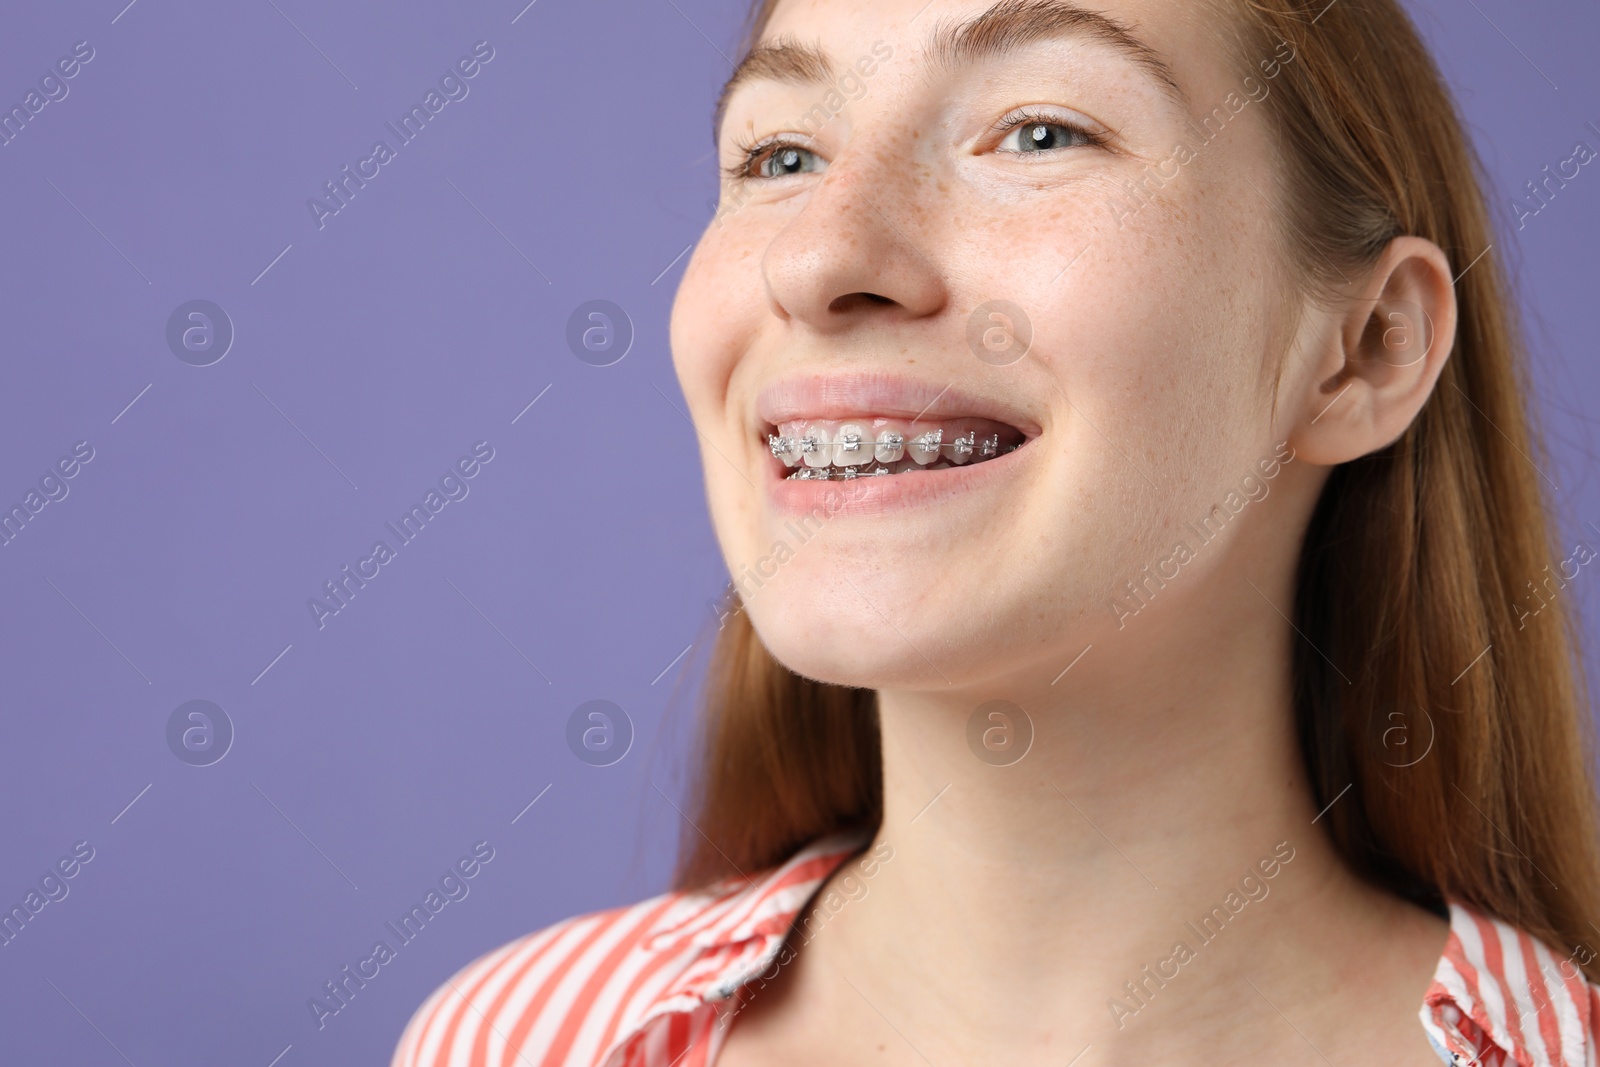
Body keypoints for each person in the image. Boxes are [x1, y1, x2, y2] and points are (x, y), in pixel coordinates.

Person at [391, 0, 1600, 1063]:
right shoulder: (517, 1041)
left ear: (1364, 348)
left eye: (1040, 131)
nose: (820, 256)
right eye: (779, 153)